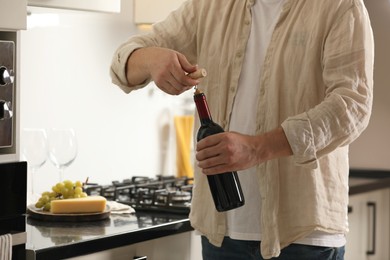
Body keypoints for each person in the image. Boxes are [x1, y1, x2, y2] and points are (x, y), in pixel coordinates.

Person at [110, 0, 374, 259]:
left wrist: (256, 148)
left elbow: (352, 106)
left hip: (303, 236)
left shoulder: (340, 6)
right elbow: (123, 63)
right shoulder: (210, 6)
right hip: (222, 233)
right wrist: (151, 59)